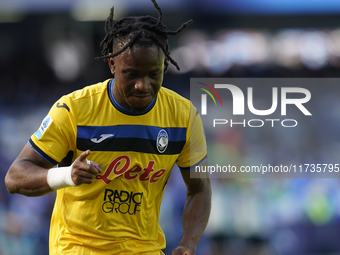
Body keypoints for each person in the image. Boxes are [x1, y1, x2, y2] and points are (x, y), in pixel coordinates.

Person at [4, 0, 211, 254]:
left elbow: (199, 188)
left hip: (144, 250)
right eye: (132, 74)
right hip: (79, 248)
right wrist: (66, 175)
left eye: (153, 74)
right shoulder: (74, 110)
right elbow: (15, 177)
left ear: (164, 67)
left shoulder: (183, 116)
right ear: (112, 65)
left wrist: (188, 243)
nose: (142, 85)